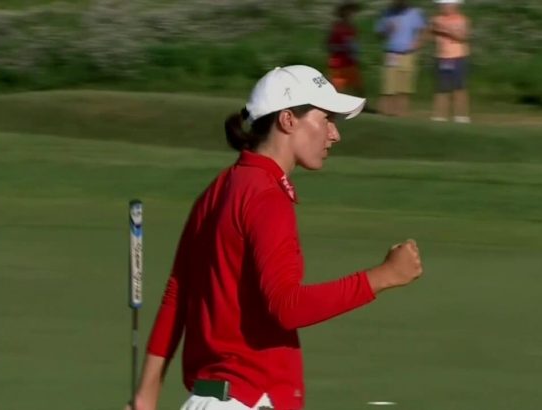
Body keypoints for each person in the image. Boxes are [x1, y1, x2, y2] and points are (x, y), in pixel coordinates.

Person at [126, 65, 424, 410]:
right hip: (247, 399)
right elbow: (287, 307)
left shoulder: (218, 190)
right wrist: (383, 276)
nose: (334, 134)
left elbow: (177, 295)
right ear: (287, 120)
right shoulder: (266, 196)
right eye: (325, 119)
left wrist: (146, 397)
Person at [375, 0, 427, 117]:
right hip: (391, 53)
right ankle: (385, 112)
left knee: (404, 86)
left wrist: (418, 43)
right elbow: (379, 33)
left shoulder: (414, 13)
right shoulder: (387, 13)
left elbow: (423, 30)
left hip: (408, 53)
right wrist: (387, 29)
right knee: (389, 85)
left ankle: (401, 113)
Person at [428, 0, 471, 123]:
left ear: (454, 5)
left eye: (444, 5)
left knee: (459, 86)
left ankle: (461, 115)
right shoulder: (436, 19)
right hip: (442, 57)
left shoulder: (462, 20)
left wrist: (446, 31)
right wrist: (432, 31)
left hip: (458, 56)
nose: (441, 7)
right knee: (441, 87)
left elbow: (463, 37)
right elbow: (430, 35)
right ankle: (439, 115)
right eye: (440, 5)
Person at [327, 1, 364, 97]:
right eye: (349, 11)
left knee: (358, 85)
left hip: (350, 62)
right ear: (343, 13)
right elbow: (329, 45)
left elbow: (354, 44)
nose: (351, 14)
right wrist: (343, 48)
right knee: (337, 88)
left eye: (352, 12)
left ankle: (362, 105)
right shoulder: (336, 27)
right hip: (338, 63)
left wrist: (355, 53)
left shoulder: (352, 28)